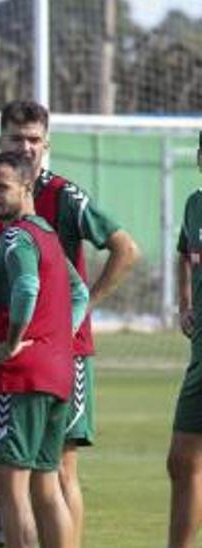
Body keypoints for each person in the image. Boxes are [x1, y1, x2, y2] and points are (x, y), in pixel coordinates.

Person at [0, 100, 140, 545]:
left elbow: (125, 249)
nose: (26, 148)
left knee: (52, 470)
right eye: (17, 139)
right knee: (37, 475)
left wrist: (70, 322)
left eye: (34, 140)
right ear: (1, 141)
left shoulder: (63, 197)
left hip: (51, 355)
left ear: (46, 145)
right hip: (29, 351)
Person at [0, 151, 88, 548]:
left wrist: (15, 339)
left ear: (27, 187)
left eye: (1, 187)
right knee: (46, 483)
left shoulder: (16, 235)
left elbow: (26, 288)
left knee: (11, 488)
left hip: (21, 377)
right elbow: (79, 292)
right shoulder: (48, 236)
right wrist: (55, 339)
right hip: (57, 372)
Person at [167, 130, 202, 548]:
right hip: (199, 355)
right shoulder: (195, 204)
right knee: (180, 460)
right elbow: (183, 254)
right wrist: (184, 302)